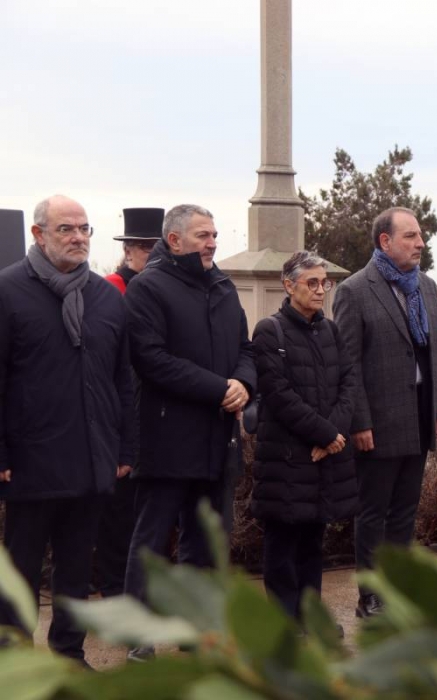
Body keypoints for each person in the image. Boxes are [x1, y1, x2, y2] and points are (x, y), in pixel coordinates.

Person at [0, 195, 135, 665]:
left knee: (76, 569)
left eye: (84, 229)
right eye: (66, 229)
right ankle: (14, 662)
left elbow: (123, 379)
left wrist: (125, 448)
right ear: (38, 235)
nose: (78, 237)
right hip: (31, 459)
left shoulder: (104, 296)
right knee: (19, 570)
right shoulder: (9, 290)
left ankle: (68, 655)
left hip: (91, 458)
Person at [123, 204, 255, 661]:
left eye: (215, 234)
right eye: (203, 235)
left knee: (205, 539)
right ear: (174, 240)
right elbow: (152, 359)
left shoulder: (222, 285)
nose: (213, 242)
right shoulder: (148, 289)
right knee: (151, 539)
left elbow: (245, 347)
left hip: (217, 438)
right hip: (167, 438)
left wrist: (244, 382)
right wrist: (220, 388)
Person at [332, 207, 437, 618]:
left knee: (405, 509)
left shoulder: (426, 285)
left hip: (419, 415)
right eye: (410, 236)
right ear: (385, 242)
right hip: (378, 423)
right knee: (373, 511)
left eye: (420, 236)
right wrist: (360, 421)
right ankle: (370, 594)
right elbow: (347, 365)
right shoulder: (354, 290)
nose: (420, 243)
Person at [251, 252, 358, 621]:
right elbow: (279, 395)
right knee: (282, 543)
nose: (320, 290)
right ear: (289, 285)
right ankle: (284, 621)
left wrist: (334, 434)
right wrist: (326, 433)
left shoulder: (330, 330)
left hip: (325, 455)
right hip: (287, 456)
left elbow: (348, 383)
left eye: (324, 282)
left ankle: (311, 615)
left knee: (314, 540)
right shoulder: (270, 330)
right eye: (311, 282)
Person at [95, 207, 164, 599]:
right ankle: (113, 590)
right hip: (120, 417)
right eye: (149, 249)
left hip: (154, 421)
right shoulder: (111, 289)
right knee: (117, 517)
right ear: (133, 251)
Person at [104, 208, 164, 294]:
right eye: (148, 246)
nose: (156, 252)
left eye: (160, 246)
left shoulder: (167, 285)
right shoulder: (110, 286)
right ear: (128, 252)